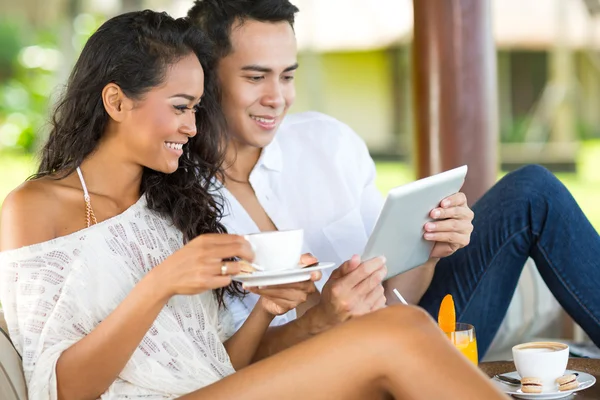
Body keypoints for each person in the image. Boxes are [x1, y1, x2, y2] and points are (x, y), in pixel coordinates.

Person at [0, 9, 507, 400]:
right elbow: (62, 389)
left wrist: (265, 308)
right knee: (400, 331)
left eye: (197, 109)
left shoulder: (170, 205)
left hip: (213, 388)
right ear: (115, 102)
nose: (193, 128)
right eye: (179, 108)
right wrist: (161, 283)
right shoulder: (34, 207)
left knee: (399, 334)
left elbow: (220, 364)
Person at [188, 0, 600, 360]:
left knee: (531, 190)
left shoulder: (328, 142)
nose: (277, 98)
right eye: (256, 77)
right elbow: (223, 365)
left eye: (288, 76)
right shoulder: (181, 201)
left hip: (403, 332)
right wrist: (322, 320)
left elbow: (395, 294)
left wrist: (431, 248)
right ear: (205, 77)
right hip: (319, 373)